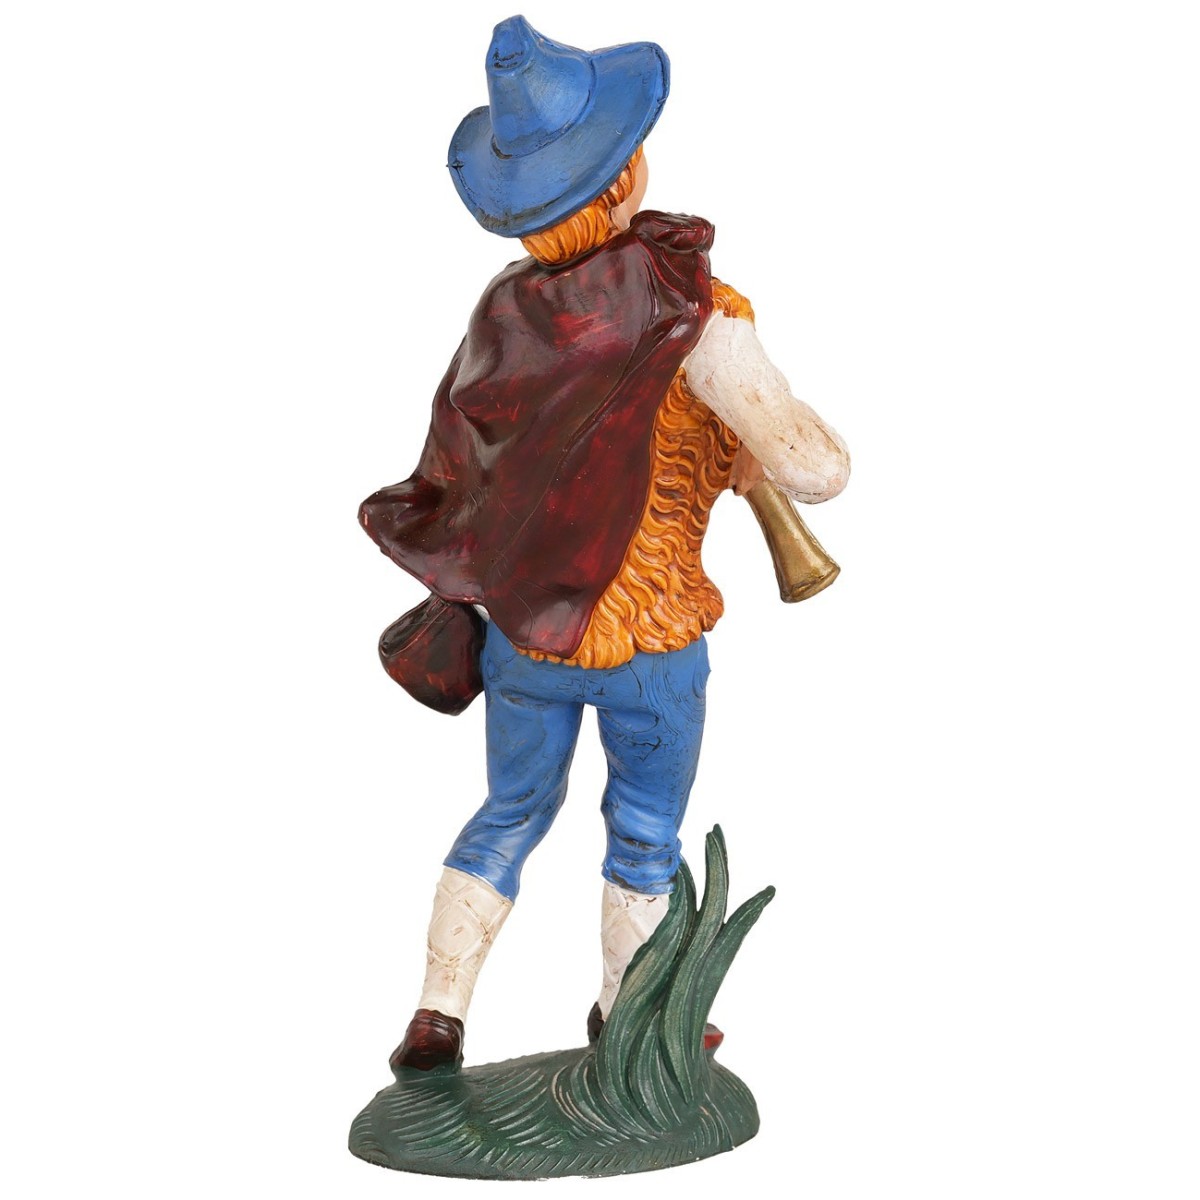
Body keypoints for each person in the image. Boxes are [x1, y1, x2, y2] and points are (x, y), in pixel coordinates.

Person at [359, 16, 849, 1072]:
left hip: (527, 637)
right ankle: (623, 1017)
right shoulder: (704, 315)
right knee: (645, 836)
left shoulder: (502, 311)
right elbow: (816, 467)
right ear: (626, 173)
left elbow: (466, 461)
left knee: (508, 812)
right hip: (650, 640)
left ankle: (438, 1013)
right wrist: (753, 438)